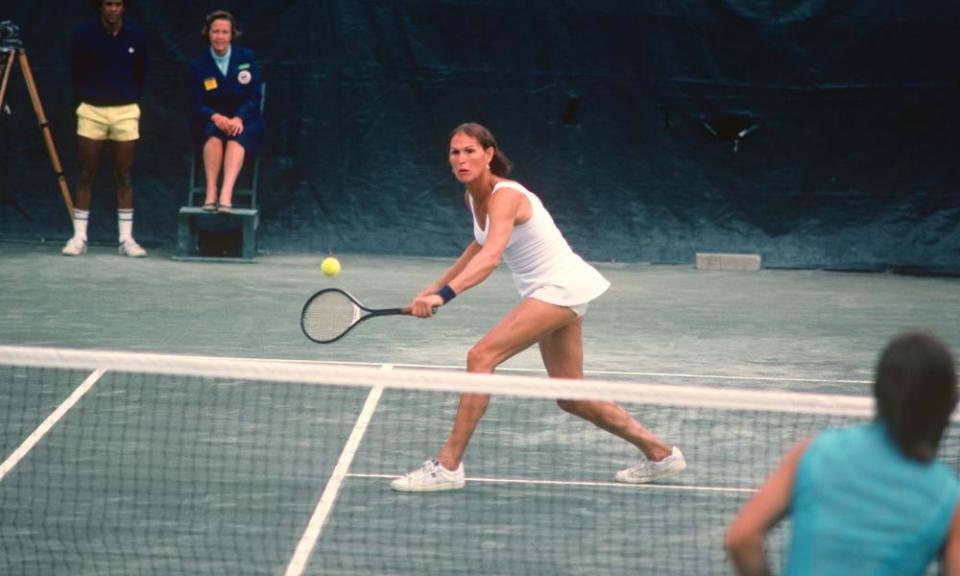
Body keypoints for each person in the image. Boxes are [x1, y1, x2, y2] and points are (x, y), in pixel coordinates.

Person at [390, 122, 686, 492]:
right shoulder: (473, 197)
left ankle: (448, 465)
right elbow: (478, 245)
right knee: (570, 395)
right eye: (455, 152)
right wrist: (432, 288)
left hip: (558, 286)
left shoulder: (505, 196)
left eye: (469, 151)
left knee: (480, 357)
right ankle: (661, 454)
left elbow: (492, 256)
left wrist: (446, 295)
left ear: (488, 154)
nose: (461, 159)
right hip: (556, 290)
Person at [725, 331, 960, 575]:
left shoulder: (813, 453)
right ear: (949, 403)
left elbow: (741, 538)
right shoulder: (950, 499)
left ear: (879, 391)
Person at [63, 0, 148, 257]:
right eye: (108, 4)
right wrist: (90, 99)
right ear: (100, 7)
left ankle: (126, 240)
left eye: (118, 4)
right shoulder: (83, 35)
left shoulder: (137, 36)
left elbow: (142, 74)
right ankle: (79, 237)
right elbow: (75, 73)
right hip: (91, 110)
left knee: (124, 175)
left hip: (126, 111)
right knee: (86, 174)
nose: (113, 9)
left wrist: (127, 98)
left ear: (124, 8)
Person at [189, 10, 264, 214]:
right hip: (212, 118)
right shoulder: (198, 64)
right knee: (212, 137)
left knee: (236, 139)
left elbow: (254, 95)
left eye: (224, 32)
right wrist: (215, 116)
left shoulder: (246, 57)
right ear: (208, 33)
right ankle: (211, 192)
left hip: (244, 119)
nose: (220, 37)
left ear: (232, 34)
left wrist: (239, 117)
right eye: (215, 32)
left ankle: (226, 195)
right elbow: (197, 102)